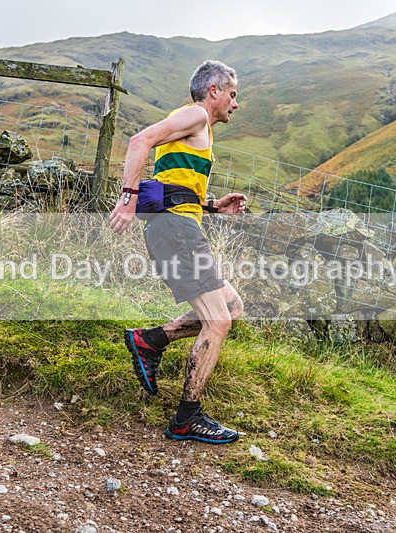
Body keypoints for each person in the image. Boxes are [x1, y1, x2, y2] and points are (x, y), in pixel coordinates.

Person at [109, 60, 247, 444]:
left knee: (231, 306)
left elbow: (175, 186)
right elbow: (139, 141)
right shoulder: (194, 115)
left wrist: (214, 206)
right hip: (176, 230)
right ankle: (187, 417)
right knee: (218, 321)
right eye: (232, 94)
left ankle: (150, 340)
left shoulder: (195, 127)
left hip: (179, 225)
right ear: (214, 91)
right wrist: (128, 199)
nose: (235, 104)